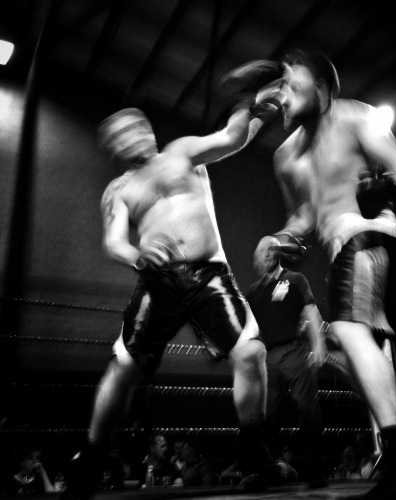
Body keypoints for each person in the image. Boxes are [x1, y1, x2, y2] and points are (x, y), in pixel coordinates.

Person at [63, 63, 284, 499]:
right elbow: (113, 241)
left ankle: (256, 449)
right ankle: (92, 457)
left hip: (208, 274)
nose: (137, 134)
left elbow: (232, 138)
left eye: (140, 125)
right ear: (114, 145)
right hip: (157, 281)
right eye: (125, 132)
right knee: (123, 367)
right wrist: (138, 254)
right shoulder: (120, 188)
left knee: (251, 352)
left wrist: (242, 100)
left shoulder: (181, 152)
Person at [265, 49, 396, 499]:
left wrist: (384, 185)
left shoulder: (354, 116)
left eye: (289, 81)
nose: (280, 92)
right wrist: (280, 239)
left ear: (320, 88)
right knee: (343, 345)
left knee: (344, 329)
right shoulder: (285, 156)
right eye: (278, 84)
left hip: (372, 233)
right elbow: (302, 217)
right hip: (344, 250)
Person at [246, 235, 327, 486]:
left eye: (271, 248)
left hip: (295, 352)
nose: (267, 254)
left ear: (279, 252)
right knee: (268, 416)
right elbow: (250, 329)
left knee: (308, 409)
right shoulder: (254, 291)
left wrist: (319, 344)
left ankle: (315, 471)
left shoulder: (295, 279)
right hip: (268, 358)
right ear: (256, 258)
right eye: (262, 251)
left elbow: (311, 313)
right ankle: (269, 472)